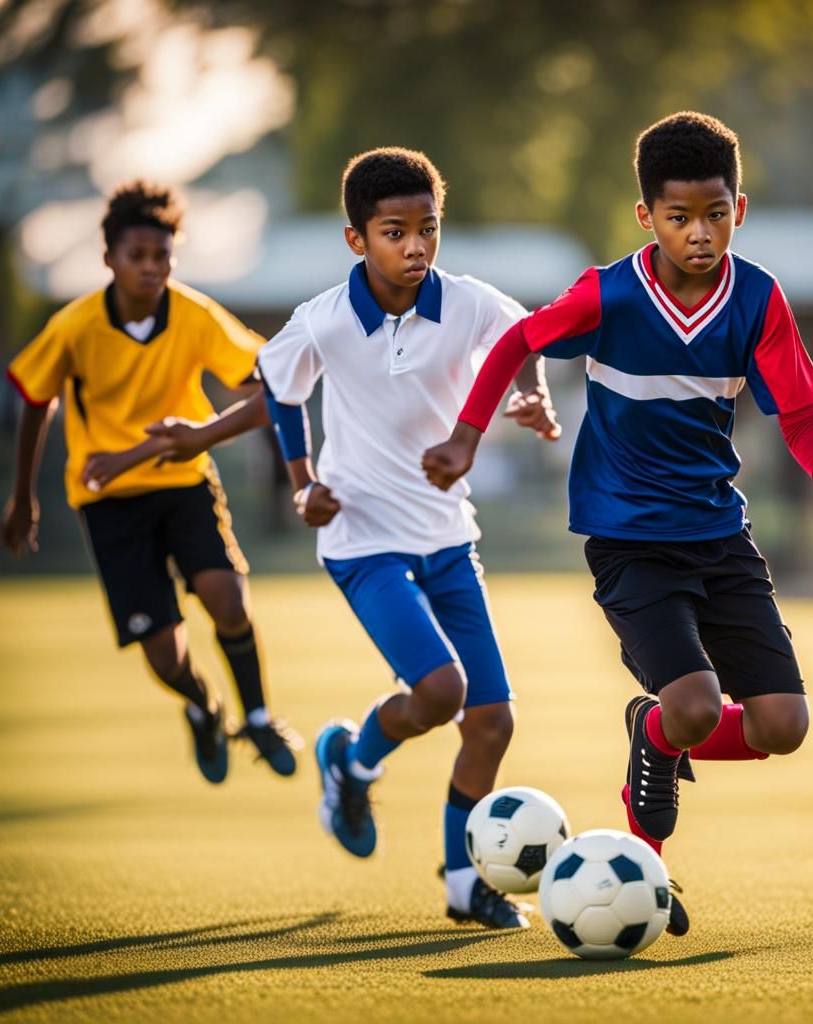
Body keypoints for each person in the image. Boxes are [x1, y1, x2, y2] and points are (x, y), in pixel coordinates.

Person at [423, 111, 813, 934]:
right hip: (629, 541)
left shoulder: (758, 301)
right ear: (646, 217)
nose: (700, 233)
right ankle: (648, 851)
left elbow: (803, 426)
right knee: (693, 704)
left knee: (783, 727)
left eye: (717, 214)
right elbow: (519, 338)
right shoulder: (609, 295)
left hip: (720, 537)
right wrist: (466, 434)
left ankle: (652, 736)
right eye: (680, 217)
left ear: (740, 208)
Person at [149, 147, 562, 929]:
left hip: (448, 537)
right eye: (394, 231)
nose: (414, 247)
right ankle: (354, 757)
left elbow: (521, 343)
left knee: (493, 721)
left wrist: (532, 397)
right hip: (361, 541)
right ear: (356, 240)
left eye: (428, 230)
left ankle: (461, 884)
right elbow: (279, 389)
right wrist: (302, 481)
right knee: (442, 693)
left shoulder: (468, 302)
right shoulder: (324, 319)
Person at [0, 180, 301, 784]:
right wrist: (23, 496)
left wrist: (211, 430)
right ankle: (202, 706)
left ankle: (260, 718)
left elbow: (268, 382)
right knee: (165, 655)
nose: (149, 267)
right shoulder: (75, 326)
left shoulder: (193, 314)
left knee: (229, 599)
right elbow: (37, 400)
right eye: (136, 256)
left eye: (161, 256)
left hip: (184, 483)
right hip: (109, 503)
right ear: (108, 257)